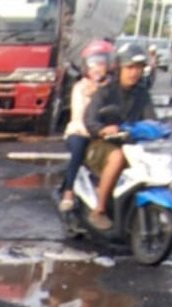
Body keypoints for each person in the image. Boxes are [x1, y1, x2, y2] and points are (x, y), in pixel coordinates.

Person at [82, 42, 156, 231]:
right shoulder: (105, 91)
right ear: (119, 68)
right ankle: (98, 210)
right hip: (101, 145)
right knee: (117, 157)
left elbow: (151, 120)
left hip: (132, 146)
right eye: (130, 67)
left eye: (138, 68)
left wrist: (165, 128)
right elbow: (90, 120)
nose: (134, 72)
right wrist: (102, 130)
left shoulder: (142, 94)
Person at [59, 40, 114, 213]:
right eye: (93, 63)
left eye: (101, 62)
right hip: (81, 132)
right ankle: (68, 192)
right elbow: (79, 117)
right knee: (78, 151)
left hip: (107, 133)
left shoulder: (113, 88)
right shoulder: (80, 87)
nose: (97, 67)